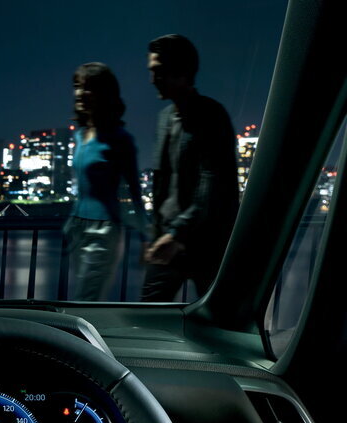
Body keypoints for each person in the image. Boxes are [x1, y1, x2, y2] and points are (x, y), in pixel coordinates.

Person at [141, 33, 239, 301]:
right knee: (147, 314)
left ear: (182, 73)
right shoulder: (164, 118)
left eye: (159, 71)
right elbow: (161, 184)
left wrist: (176, 234)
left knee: (216, 317)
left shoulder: (212, 115)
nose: (152, 79)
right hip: (169, 239)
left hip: (207, 243)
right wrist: (158, 233)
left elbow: (212, 185)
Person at [67, 62, 145, 300]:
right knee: (81, 300)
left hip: (104, 230)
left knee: (86, 299)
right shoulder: (80, 136)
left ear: (104, 94)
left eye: (88, 87)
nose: (80, 93)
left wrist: (145, 238)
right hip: (77, 228)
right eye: (77, 86)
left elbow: (135, 192)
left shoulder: (120, 139)